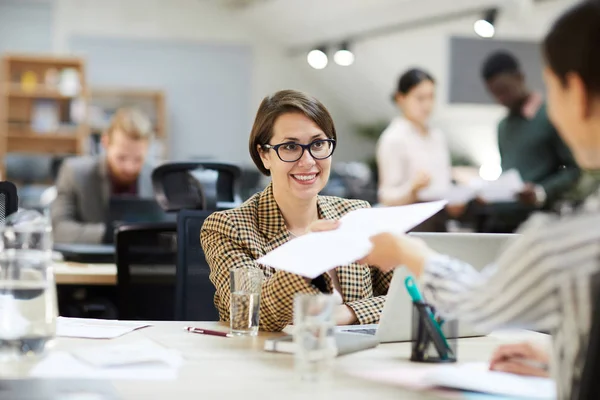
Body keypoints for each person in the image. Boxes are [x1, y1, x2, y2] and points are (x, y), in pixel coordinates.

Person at [310, 2, 599, 398]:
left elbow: (475, 303)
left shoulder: (566, 240)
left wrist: (409, 253)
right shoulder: (402, 137)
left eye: (553, 88)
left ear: (578, 94)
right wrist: (567, 356)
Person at [200, 90, 392, 332]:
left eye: (318, 144)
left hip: (354, 362)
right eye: (290, 146)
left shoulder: (355, 215)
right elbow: (252, 313)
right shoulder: (229, 227)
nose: (308, 160)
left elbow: (409, 297)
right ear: (264, 155)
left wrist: (347, 313)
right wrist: (307, 256)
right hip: (267, 363)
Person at [480, 50, 580, 232]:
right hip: (504, 222)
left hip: (541, 223)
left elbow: (574, 170)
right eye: (494, 94)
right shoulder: (503, 127)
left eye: (504, 90)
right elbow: (508, 172)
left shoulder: (551, 116)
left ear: (519, 77)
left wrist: (540, 192)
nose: (500, 99)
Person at [51, 108, 155, 244]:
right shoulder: (74, 173)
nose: (129, 167)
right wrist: (110, 233)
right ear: (105, 143)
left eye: (138, 160)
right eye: (121, 158)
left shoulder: (156, 177)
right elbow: (59, 230)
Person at [377, 68, 452, 208]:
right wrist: (412, 189)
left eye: (431, 97)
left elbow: (443, 183)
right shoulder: (393, 138)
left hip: (438, 218)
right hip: (408, 221)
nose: (427, 105)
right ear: (401, 98)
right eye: (420, 98)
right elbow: (386, 196)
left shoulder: (437, 136)